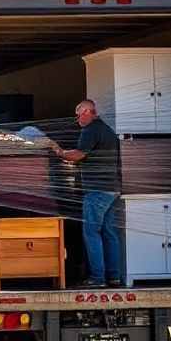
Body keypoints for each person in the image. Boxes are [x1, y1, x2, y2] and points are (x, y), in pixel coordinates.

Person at [53, 100, 121, 288]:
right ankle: (114, 277)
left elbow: (79, 154)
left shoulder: (90, 130)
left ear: (88, 112)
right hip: (112, 189)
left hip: (97, 190)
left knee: (91, 232)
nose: (77, 119)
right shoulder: (107, 130)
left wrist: (60, 152)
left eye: (79, 114)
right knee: (109, 233)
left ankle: (98, 278)